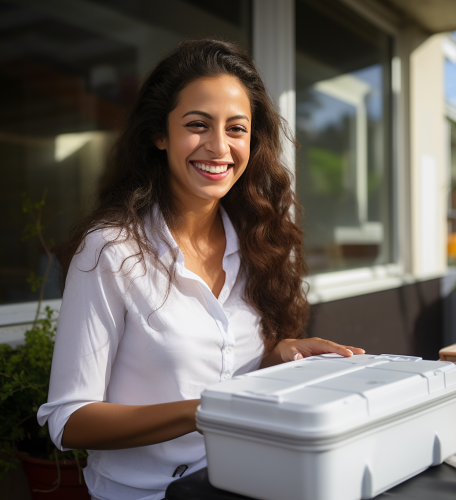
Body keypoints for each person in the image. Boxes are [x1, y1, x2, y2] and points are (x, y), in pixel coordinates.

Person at [37, 39, 365, 500]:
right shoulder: (111, 250)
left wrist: (276, 358)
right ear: (160, 134)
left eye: (236, 129)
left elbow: (229, 372)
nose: (219, 147)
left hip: (245, 480)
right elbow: (68, 420)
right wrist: (207, 410)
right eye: (197, 125)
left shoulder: (259, 239)